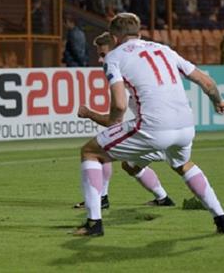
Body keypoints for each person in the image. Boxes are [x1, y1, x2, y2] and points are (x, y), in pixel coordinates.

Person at [73, 13, 224, 236]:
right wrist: (219, 101)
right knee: (182, 165)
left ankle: (94, 223)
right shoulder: (165, 50)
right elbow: (206, 82)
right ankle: (222, 219)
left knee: (90, 151)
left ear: (114, 36)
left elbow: (119, 105)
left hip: (153, 128)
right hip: (186, 126)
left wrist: (107, 121)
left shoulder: (114, 57)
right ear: (139, 31)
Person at [73, 31, 175, 210]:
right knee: (130, 165)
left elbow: (114, 122)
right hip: (175, 131)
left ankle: (100, 200)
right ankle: (163, 198)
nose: (100, 60)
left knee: (99, 149)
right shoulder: (138, 68)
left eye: (103, 54)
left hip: (155, 134)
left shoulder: (122, 76)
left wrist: (89, 113)